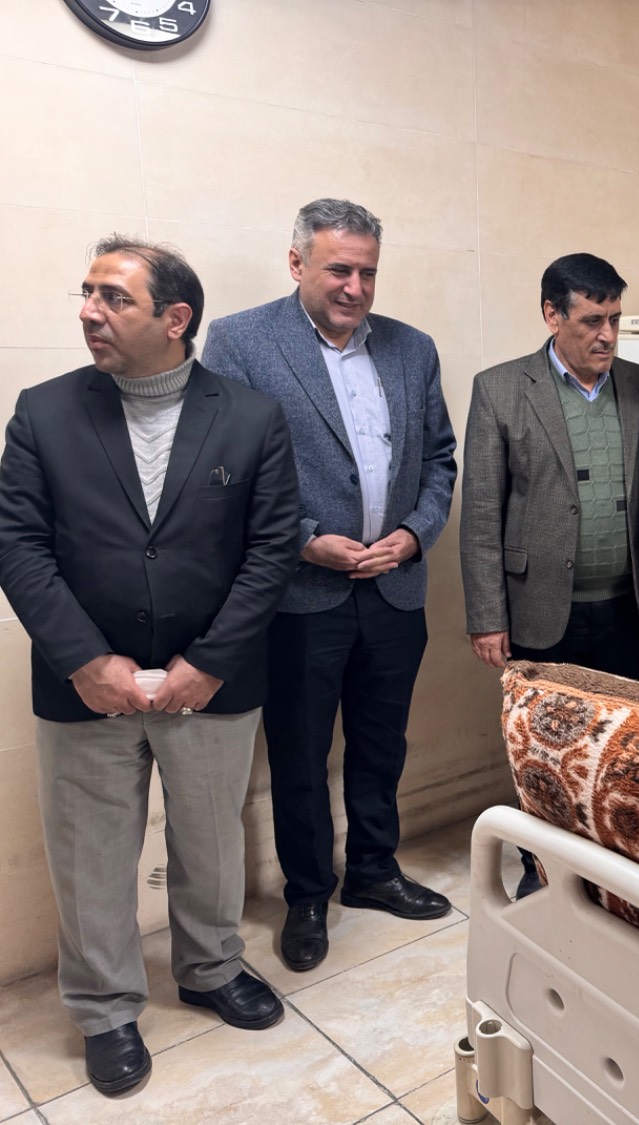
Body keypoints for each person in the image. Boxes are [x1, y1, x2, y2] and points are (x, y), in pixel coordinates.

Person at [0, 236, 301, 1094]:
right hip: (85, 686)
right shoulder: (44, 411)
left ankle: (210, 967)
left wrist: (209, 661)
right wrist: (84, 660)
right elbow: (17, 543)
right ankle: (103, 1007)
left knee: (211, 840)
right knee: (90, 852)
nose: (89, 311)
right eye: (87, 292)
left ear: (176, 319)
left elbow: (272, 548)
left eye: (114, 297)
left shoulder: (251, 416)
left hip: (213, 682)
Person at [201, 199, 457, 973]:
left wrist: (415, 532)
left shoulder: (412, 348)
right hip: (298, 596)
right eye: (339, 268)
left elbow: (439, 458)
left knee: (381, 743)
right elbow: (224, 471)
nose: (355, 286)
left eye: (367, 271)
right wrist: (305, 539)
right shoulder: (242, 342)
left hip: (395, 588)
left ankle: (374, 869)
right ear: (297, 263)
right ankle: (308, 892)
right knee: (301, 755)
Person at [460, 252, 639, 896]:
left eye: (615, 320)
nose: (607, 335)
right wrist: (487, 618)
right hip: (541, 609)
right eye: (591, 321)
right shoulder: (501, 388)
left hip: (626, 606)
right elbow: (481, 513)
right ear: (552, 315)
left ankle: (616, 875)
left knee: (623, 746)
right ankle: (544, 872)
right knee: (547, 752)